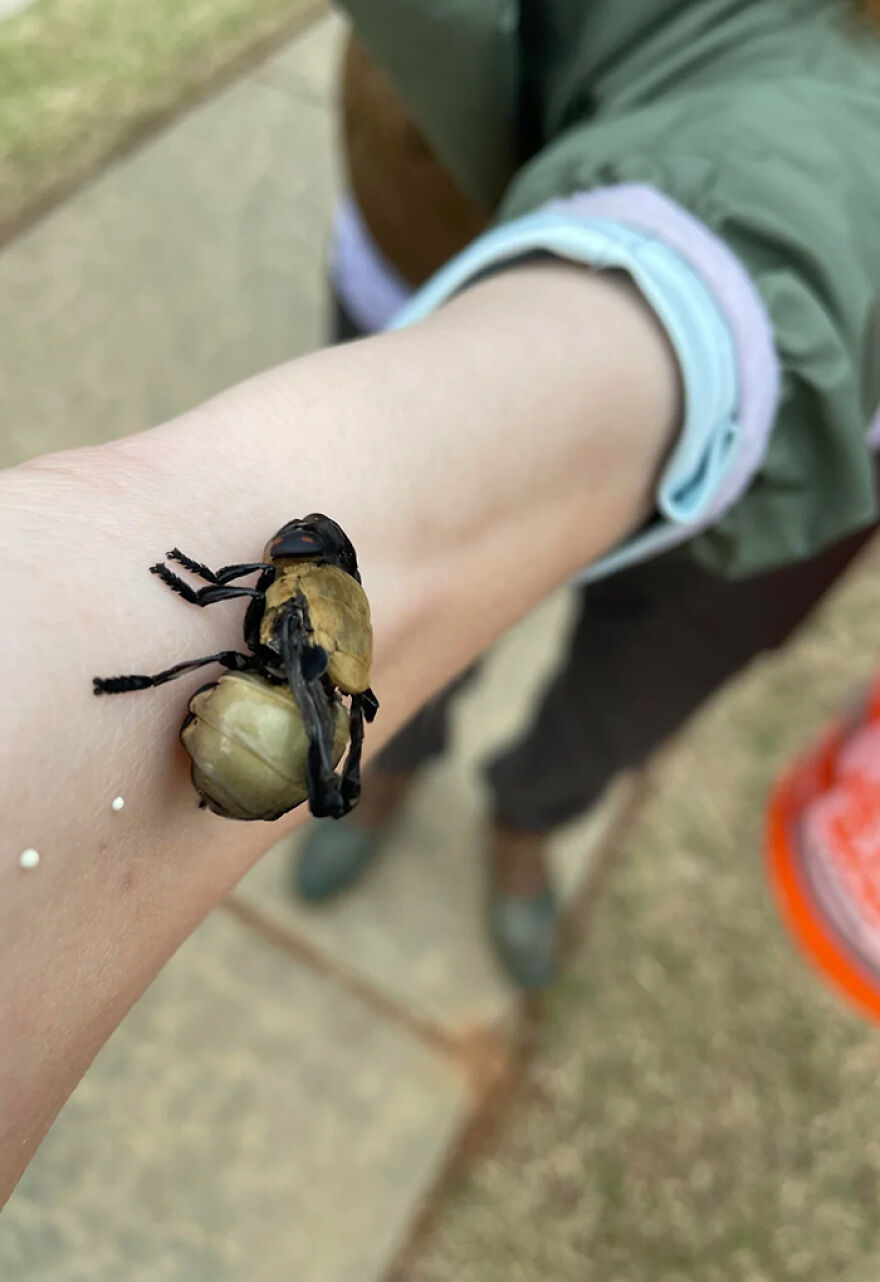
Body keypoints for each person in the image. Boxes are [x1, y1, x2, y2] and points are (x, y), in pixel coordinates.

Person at [0, 0, 878, 1205]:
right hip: (504, 240)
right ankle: (395, 797)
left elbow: (244, 598)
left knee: (623, 694)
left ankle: (525, 827)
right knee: (407, 662)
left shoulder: (295, 626)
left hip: (810, 452)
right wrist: (87, 604)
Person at [292, 2, 880, 987]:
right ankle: (386, 759)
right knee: (382, 611)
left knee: (636, 686)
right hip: (461, 233)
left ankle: (528, 821)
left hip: (834, 450)